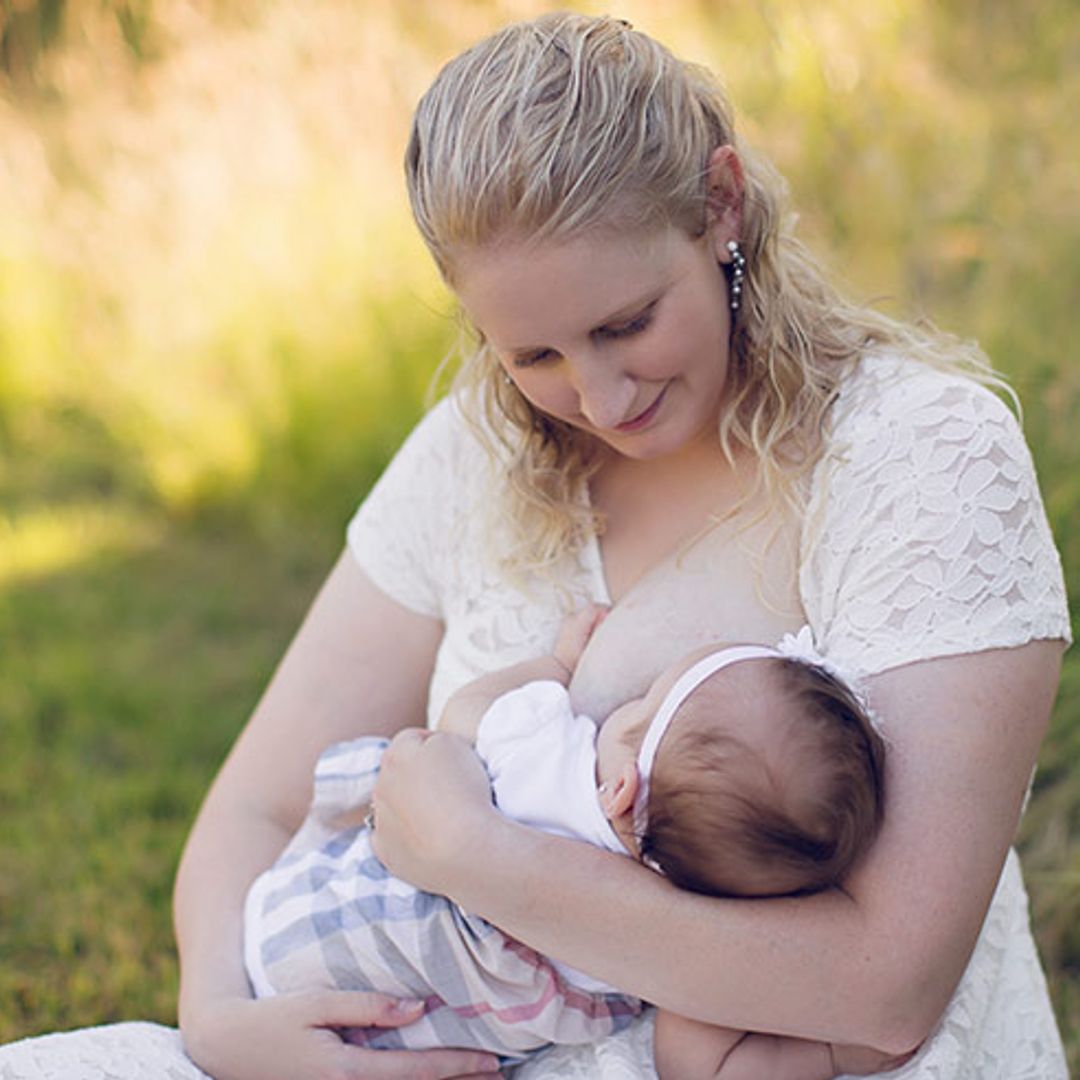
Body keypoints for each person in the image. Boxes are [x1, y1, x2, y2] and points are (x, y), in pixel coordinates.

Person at [0, 10, 1069, 1080]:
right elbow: (258, 805)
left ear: (721, 205)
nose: (600, 397)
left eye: (628, 322)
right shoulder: (474, 455)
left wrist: (479, 859)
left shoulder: (916, 453)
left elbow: (889, 983)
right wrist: (222, 1022)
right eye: (535, 353)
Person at [243, 606, 889, 1078]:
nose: (618, 709)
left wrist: (555, 665)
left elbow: (465, 712)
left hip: (302, 919)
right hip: (383, 1040)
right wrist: (828, 1051)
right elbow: (695, 1065)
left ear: (620, 791)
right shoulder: (684, 935)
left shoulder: (546, 749)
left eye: (639, 706)